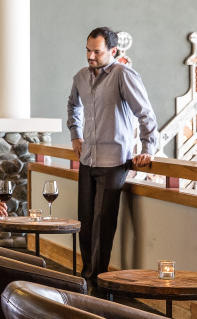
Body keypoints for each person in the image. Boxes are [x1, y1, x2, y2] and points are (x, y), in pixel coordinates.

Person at [67, 26, 157, 286]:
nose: (90, 56)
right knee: (85, 223)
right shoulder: (80, 77)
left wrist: (148, 148)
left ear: (113, 51)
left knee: (102, 225)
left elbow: (145, 113)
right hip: (88, 160)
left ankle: (96, 284)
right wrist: (75, 135)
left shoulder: (123, 75)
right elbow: (73, 105)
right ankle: (87, 279)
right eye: (88, 50)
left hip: (114, 161)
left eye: (97, 52)